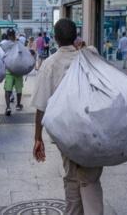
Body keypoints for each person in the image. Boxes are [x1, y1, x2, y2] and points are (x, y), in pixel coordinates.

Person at [32, 18, 104, 215]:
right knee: (90, 179)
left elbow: (41, 106)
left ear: (55, 39)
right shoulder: (90, 55)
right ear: (76, 36)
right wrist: (82, 46)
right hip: (93, 129)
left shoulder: (50, 64)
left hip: (67, 134)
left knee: (72, 177)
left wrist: (38, 137)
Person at [2, 28, 25, 116]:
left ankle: (8, 107)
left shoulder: (4, 44)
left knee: (8, 89)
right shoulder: (19, 43)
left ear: (7, 35)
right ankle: (18, 105)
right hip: (18, 70)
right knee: (19, 89)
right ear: (14, 34)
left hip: (9, 70)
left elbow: (2, 56)